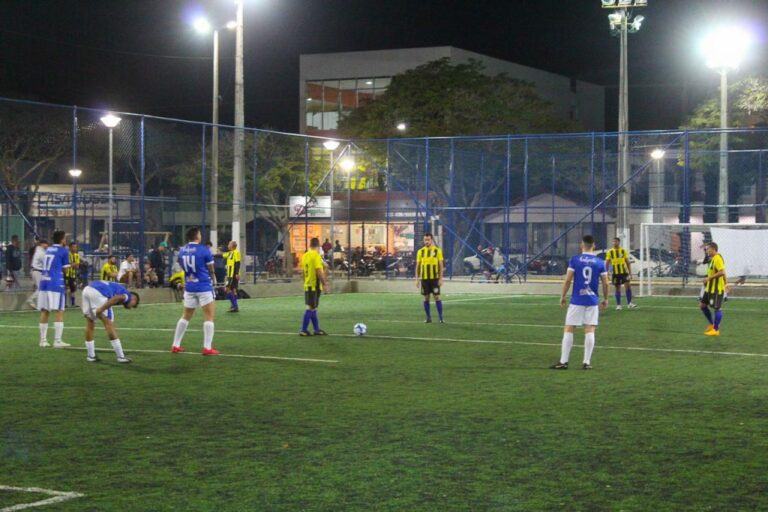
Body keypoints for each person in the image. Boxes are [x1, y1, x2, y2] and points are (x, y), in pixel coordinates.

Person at [551, 235, 609, 370]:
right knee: (590, 329)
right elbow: (606, 282)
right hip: (592, 300)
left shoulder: (575, 260)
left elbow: (568, 280)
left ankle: (564, 361)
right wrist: (606, 299)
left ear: (581, 245)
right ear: (594, 246)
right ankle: (586, 362)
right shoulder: (600, 262)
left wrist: (563, 296)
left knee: (569, 327)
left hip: (577, 300)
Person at [170, 227, 219, 355]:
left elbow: (182, 266)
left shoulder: (182, 251)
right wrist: (213, 277)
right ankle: (207, 347)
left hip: (190, 286)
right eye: (200, 233)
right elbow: (210, 268)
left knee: (185, 316)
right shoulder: (204, 249)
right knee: (209, 316)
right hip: (203, 286)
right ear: (197, 236)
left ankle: (175, 345)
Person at [80, 280, 139, 363]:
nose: (131, 307)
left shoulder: (118, 288)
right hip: (99, 292)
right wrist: (102, 309)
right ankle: (120, 356)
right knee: (108, 323)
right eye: (134, 305)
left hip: (87, 289)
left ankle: (91, 355)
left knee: (90, 322)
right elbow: (116, 298)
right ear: (134, 299)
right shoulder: (127, 295)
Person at [37, 230, 71, 348]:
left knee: (45, 311)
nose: (66, 240)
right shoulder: (63, 250)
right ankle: (57, 341)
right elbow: (66, 269)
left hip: (44, 282)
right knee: (59, 310)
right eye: (65, 238)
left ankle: (43, 340)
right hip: (56, 283)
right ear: (62, 239)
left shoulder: (49, 249)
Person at [300, 237, 329, 336]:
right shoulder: (316, 256)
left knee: (313, 307)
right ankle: (303, 329)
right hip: (314, 286)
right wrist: (325, 284)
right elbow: (319, 271)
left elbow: (303, 273)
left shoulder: (305, 256)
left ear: (310, 245)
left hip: (308, 285)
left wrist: (306, 282)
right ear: (318, 246)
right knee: (310, 308)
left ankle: (317, 329)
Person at [415, 232, 444, 323]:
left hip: (434, 279)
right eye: (425, 240)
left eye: (428, 240)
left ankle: (441, 318)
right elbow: (418, 266)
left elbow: (441, 265)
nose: (426, 241)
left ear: (431, 240)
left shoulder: (437, 251)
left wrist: (440, 278)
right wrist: (417, 279)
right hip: (424, 279)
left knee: (437, 297)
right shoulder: (420, 252)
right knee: (426, 298)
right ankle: (428, 318)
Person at [701, 242, 727, 336]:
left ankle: (716, 330)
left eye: (708, 249)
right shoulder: (713, 259)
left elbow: (722, 272)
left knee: (717, 308)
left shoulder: (718, 258)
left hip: (716, 289)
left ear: (713, 249)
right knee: (702, 306)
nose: (707, 251)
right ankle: (712, 325)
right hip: (709, 288)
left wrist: (709, 278)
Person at [605, 237, 636, 310]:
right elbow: (607, 263)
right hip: (615, 273)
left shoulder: (623, 251)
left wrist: (630, 273)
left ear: (619, 242)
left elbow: (627, 262)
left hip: (624, 272)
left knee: (628, 286)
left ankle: (629, 303)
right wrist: (606, 273)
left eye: (615, 241)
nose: (614, 243)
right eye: (613, 242)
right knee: (617, 288)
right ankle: (618, 305)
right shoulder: (610, 252)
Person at [26, 238, 48, 308]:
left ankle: (40, 304)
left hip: (36, 271)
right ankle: (31, 300)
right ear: (42, 244)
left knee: (41, 289)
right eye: (45, 244)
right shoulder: (40, 252)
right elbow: (46, 262)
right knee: (41, 289)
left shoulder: (39, 250)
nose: (47, 245)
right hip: (38, 271)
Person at [222, 240, 241, 313]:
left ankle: (235, 306)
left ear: (232, 245)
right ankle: (234, 306)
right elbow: (222, 255)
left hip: (232, 274)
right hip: (230, 274)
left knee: (227, 289)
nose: (228, 245)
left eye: (229, 244)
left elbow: (238, 263)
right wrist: (211, 255)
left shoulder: (236, 252)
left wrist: (236, 273)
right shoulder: (230, 253)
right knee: (234, 290)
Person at [65, 242, 81, 307]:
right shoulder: (67, 255)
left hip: (73, 275)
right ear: (70, 248)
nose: (74, 248)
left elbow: (77, 266)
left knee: (73, 290)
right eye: (73, 247)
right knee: (65, 289)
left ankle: (73, 303)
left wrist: (71, 264)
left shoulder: (77, 255)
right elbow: (66, 265)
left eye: (76, 247)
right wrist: (73, 264)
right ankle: (64, 304)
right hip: (66, 274)